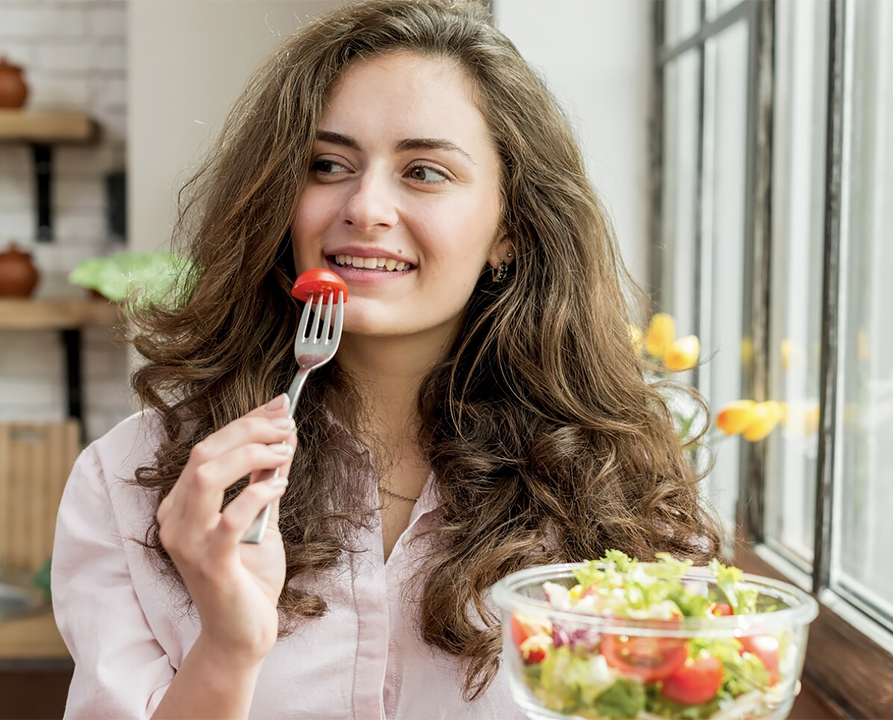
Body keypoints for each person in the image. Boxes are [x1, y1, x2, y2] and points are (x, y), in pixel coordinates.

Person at [51, 1, 722, 718]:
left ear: (511, 229)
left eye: (426, 171)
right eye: (328, 165)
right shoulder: (129, 483)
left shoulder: (618, 485)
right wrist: (227, 649)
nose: (365, 206)